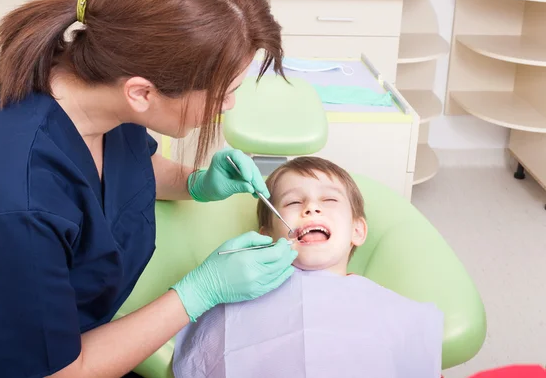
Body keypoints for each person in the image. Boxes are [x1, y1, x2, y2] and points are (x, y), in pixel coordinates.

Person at [0, 0, 298, 377]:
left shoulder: (94, 86)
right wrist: (199, 293)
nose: (228, 106)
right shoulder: (15, 206)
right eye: (224, 93)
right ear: (142, 93)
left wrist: (195, 183)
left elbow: (127, 169)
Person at [172, 156, 444, 378]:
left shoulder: (385, 305)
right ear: (267, 236)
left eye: (329, 200)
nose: (312, 208)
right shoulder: (235, 290)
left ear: (357, 231)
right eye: (293, 202)